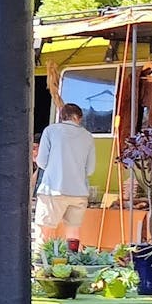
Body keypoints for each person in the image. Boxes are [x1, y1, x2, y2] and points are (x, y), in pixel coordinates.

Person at [35, 102, 96, 242]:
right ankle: (72, 262)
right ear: (79, 118)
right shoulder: (88, 136)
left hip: (53, 190)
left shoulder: (50, 131)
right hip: (79, 193)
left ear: (61, 117)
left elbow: (41, 162)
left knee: (44, 232)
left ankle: (42, 262)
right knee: (73, 234)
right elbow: (90, 170)